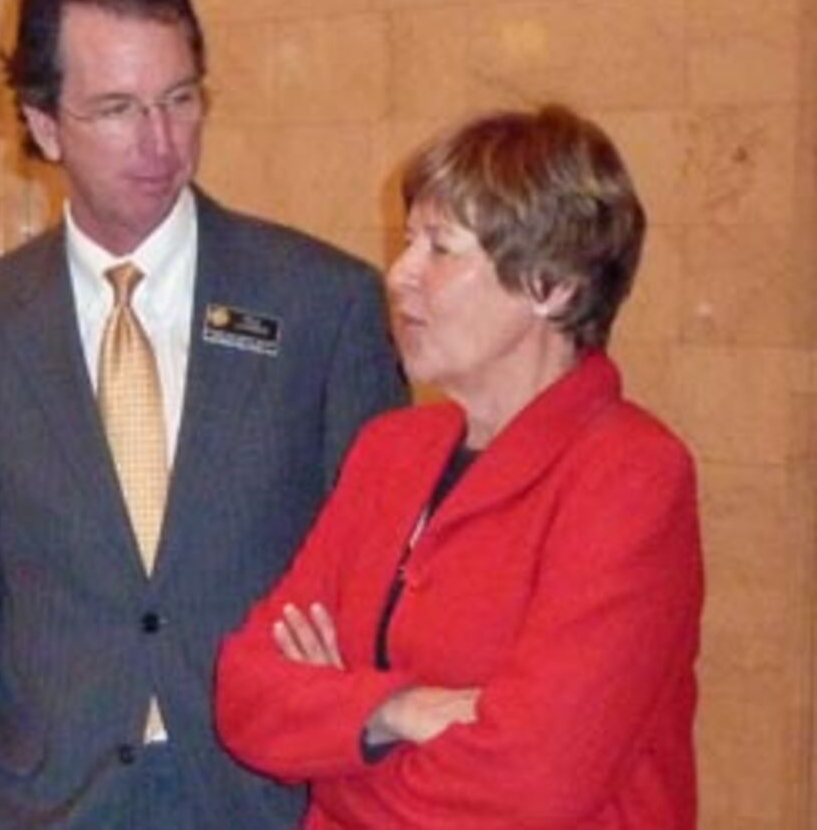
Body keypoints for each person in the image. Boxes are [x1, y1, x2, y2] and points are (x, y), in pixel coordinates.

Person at [0, 0, 406, 830]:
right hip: (45, 803)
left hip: (265, 793)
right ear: (44, 124)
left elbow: (390, 580)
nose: (160, 141)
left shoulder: (323, 304)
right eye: (117, 109)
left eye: (180, 99)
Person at [214, 105, 703, 828]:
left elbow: (530, 784)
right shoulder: (391, 450)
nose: (401, 275)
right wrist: (397, 710)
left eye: (440, 248)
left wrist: (334, 754)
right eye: (407, 242)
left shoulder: (631, 477)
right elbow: (245, 692)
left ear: (552, 284)